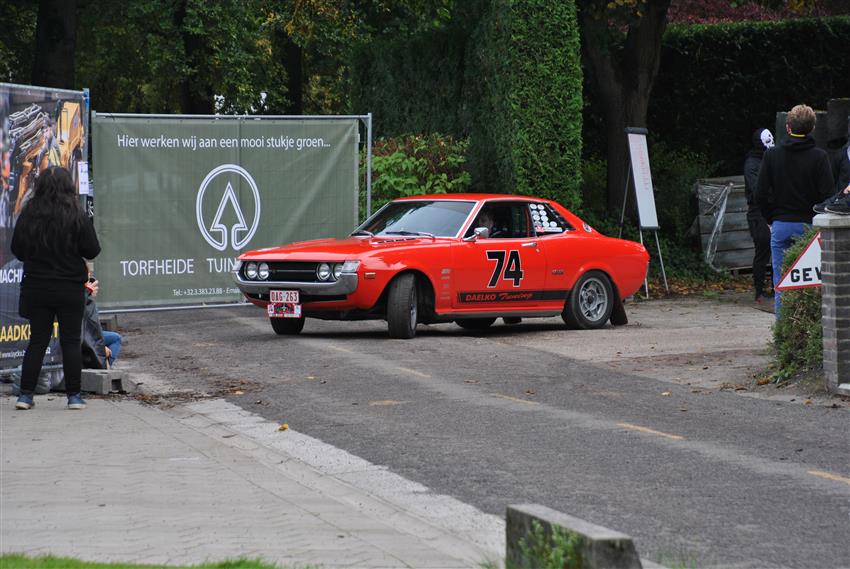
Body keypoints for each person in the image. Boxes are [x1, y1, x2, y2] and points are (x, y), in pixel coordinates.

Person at [11, 166, 101, 410]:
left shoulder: (29, 214)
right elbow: (92, 250)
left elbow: (17, 250)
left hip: (37, 287)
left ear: (40, 186)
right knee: (71, 341)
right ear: (68, 186)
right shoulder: (76, 214)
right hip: (69, 288)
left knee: (37, 341)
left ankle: (25, 396)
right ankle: (74, 397)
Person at [755, 104, 834, 317]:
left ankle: (782, 328)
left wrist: (771, 219)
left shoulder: (772, 156)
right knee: (812, 283)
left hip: (781, 224)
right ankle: (807, 326)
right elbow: (828, 195)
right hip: (809, 225)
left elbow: (760, 194)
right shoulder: (820, 157)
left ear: (788, 127)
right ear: (812, 128)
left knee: (781, 281)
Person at [743, 128, 774, 302]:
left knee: (775, 249)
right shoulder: (752, 164)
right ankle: (759, 291)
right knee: (763, 250)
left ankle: (776, 288)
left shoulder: (769, 159)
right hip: (758, 213)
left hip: (772, 210)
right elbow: (757, 191)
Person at [82, 271, 122, 368]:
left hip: (90, 334)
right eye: (88, 281)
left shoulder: (87, 298)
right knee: (116, 339)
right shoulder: (83, 298)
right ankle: (103, 366)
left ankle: (104, 365)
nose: (95, 287)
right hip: (85, 336)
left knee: (115, 338)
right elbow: (85, 329)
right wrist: (101, 347)